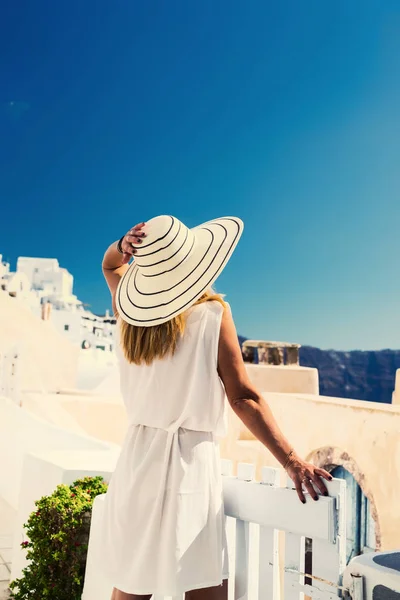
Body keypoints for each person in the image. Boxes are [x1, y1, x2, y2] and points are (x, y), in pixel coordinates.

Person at [100, 215, 332, 600]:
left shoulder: (129, 316)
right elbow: (242, 397)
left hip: (137, 461)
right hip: (189, 464)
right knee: (203, 586)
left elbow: (110, 264)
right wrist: (291, 460)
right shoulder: (211, 315)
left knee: (131, 586)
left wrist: (121, 244)